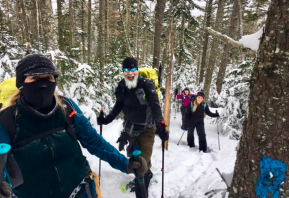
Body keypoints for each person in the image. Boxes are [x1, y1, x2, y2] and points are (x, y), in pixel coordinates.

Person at [0, 54, 147, 198]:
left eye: (49, 78)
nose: (43, 83)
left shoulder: (67, 108)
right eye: (35, 78)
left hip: (81, 191)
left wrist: (126, 164)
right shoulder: (7, 120)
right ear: (21, 83)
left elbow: (94, 141)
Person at [97, 57, 169, 198]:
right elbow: (119, 105)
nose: (130, 73)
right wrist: (106, 120)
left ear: (137, 70)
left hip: (146, 131)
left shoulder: (146, 85)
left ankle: (142, 187)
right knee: (135, 159)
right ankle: (146, 173)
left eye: (133, 70)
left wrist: (160, 124)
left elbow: (155, 105)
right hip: (129, 130)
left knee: (139, 166)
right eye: (126, 70)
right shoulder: (122, 87)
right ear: (123, 72)